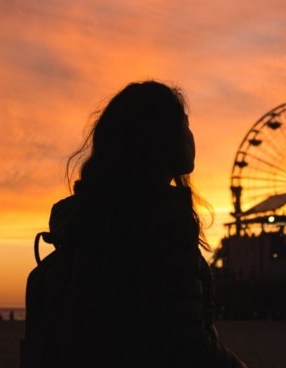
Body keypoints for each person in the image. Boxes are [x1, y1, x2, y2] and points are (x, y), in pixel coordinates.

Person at [25, 81, 245, 367]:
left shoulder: (85, 223)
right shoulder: (163, 227)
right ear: (161, 138)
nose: (191, 137)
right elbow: (185, 342)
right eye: (185, 126)